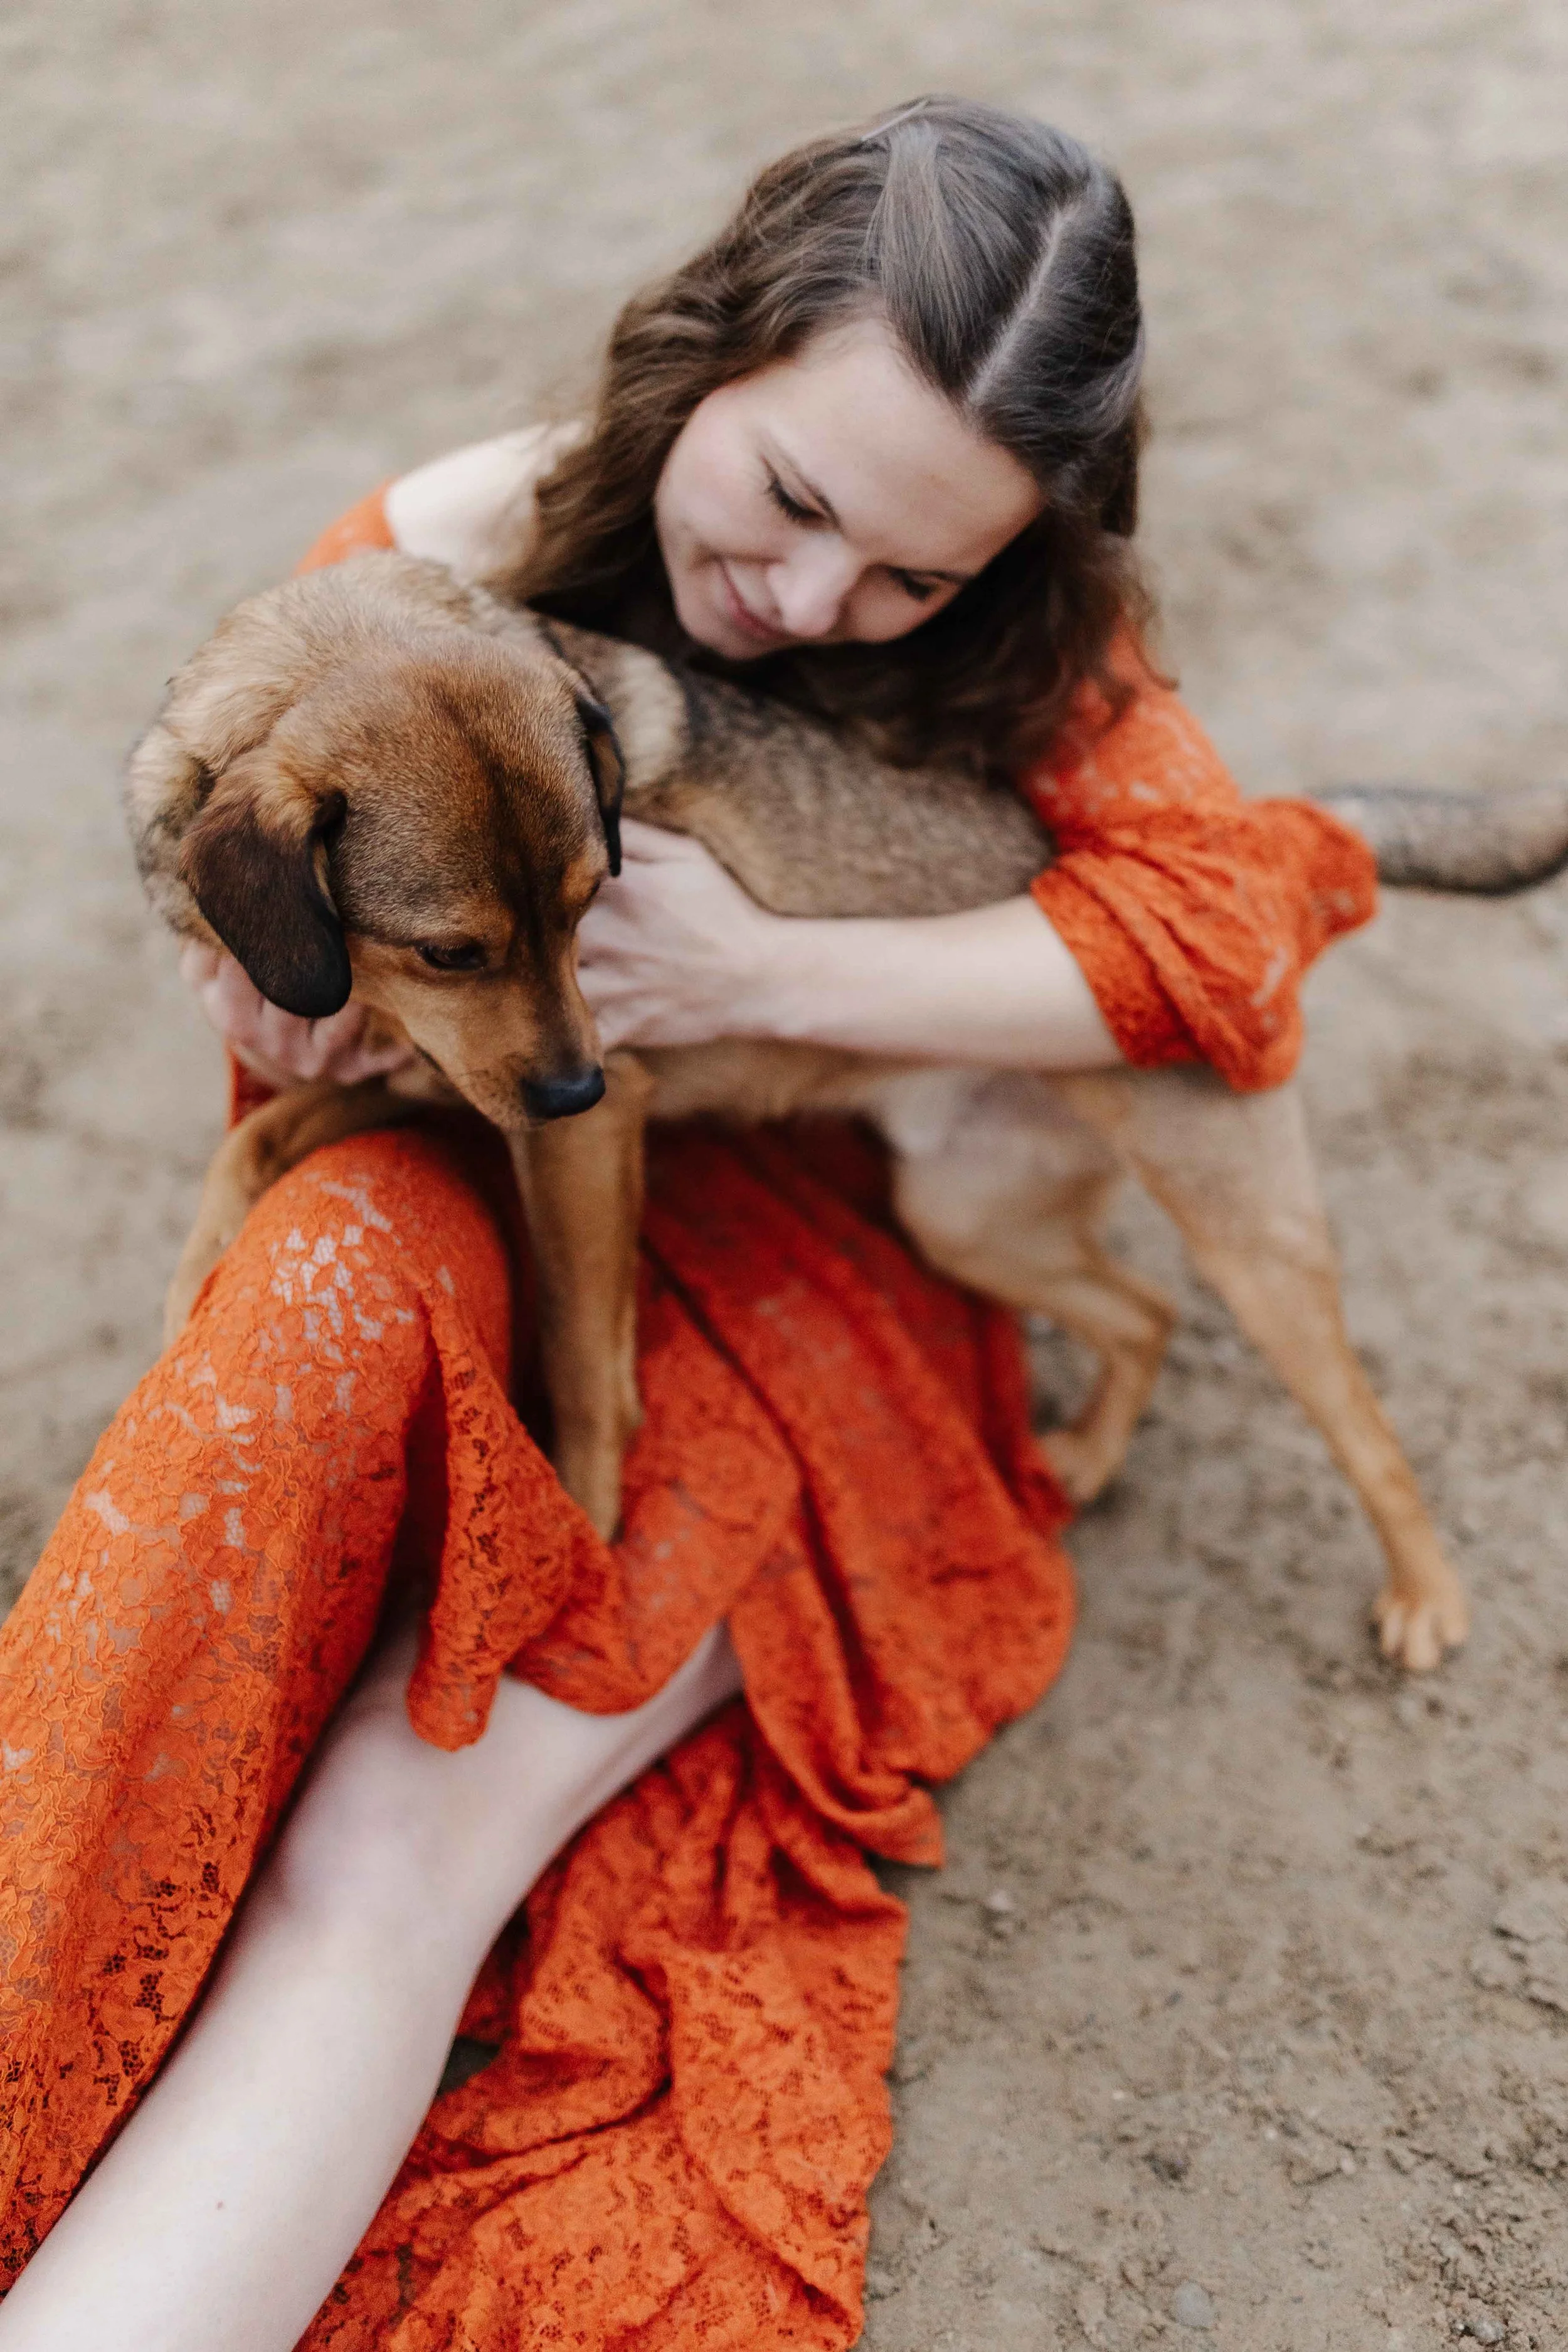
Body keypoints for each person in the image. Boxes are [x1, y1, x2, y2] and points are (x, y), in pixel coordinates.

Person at [0, 98, 1374, 2352]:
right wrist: (287, 1019)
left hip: (843, 1250)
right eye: (793, 498)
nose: (819, 604)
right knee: (222, 1494)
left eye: (912, 575)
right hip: (490, 1195)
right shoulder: (436, 559)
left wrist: (766, 972)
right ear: (700, 359)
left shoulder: (1049, 646)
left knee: (380, 1848)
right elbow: (307, 1003)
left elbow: (1219, 947)